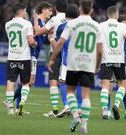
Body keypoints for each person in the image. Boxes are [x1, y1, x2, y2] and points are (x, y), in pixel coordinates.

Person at [48, 0, 102, 133]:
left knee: (70, 91)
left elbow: (60, 43)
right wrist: (97, 65)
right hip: (89, 64)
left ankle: (75, 115)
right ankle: (84, 125)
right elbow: (100, 50)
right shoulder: (97, 26)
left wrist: (52, 59)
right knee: (86, 95)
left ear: (79, 9)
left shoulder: (71, 24)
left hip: (72, 63)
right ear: (91, 10)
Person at [13, 2, 53, 115]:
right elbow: (30, 36)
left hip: (33, 54)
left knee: (27, 82)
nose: (51, 12)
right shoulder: (35, 22)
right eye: (49, 10)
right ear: (43, 10)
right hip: (30, 54)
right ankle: (10, 101)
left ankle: (17, 107)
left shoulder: (42, 23)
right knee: (29, 82)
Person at [99, 6, 126, 120]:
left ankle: (105, 112)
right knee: (122, 85)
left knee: (105, 86)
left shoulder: (101, 25)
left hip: (106, 59)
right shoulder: (122, 26)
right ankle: (117, 105)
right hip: (119, 60)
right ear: (117, 15)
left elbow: (98, 44)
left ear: (107, 14)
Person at [48, 4, 83, 118]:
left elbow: (59, 44)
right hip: (82, 59)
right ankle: (78, 108)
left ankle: (67, 106)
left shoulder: (63, 27)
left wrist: (51, 39)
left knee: (62, 81)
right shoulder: (82, 26)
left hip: (67, 59)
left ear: (66, 14)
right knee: (77, 83)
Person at [34, 0, 67, 117]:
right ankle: (69, 106)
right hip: (70, 53)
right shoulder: (72, 19)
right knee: (67, 80)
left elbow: (38, 32)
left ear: (56, 8)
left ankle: (55, 110)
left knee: (53, 79)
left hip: (56, 51)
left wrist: (35, 19)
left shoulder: (55, 19)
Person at [4, 3, 36, 115]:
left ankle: (10, 110)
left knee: (10, 82)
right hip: (24, 58)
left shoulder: (7, 24)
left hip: (12, 57)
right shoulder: (27, 24)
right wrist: (35, 44)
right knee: (25, 83)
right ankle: (22, 102)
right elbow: (31, 41)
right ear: (22, 11)